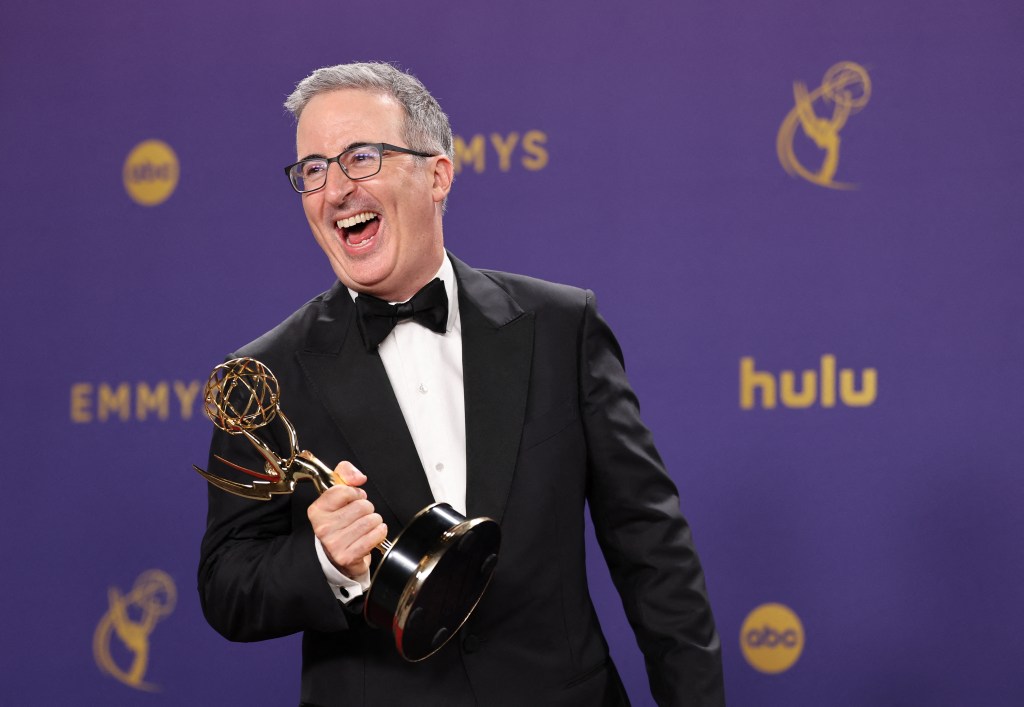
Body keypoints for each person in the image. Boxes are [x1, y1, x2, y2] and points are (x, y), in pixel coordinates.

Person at [198, 61, 725, 707]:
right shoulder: (264, 378)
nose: (334, 189)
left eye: (360, 157)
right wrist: (327, 561)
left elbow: (654, 555)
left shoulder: (559, 327)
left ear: (437, 174)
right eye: (312, 169)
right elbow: (227, 586)